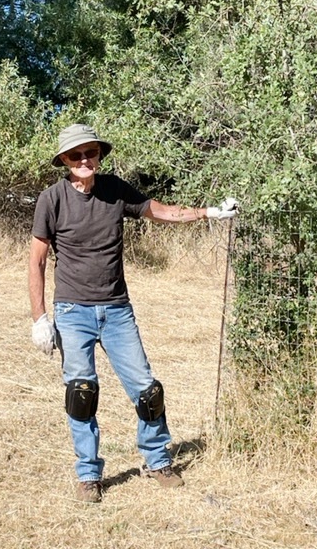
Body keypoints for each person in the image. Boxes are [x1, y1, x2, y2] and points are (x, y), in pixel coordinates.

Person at [28, 123, 238, 503]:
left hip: (116, 311)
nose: (84, 160)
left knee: (147, 390)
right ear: (63, 160)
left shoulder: (115, 190)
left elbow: (162, 213)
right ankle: (89, 475)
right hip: (73, 311)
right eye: (75, 155)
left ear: (99, 155)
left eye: (90, 152)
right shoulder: (51, 199)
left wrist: (209, 212)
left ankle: (157, 461)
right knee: (81, 392)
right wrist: (40, 319)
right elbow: (36, 261)